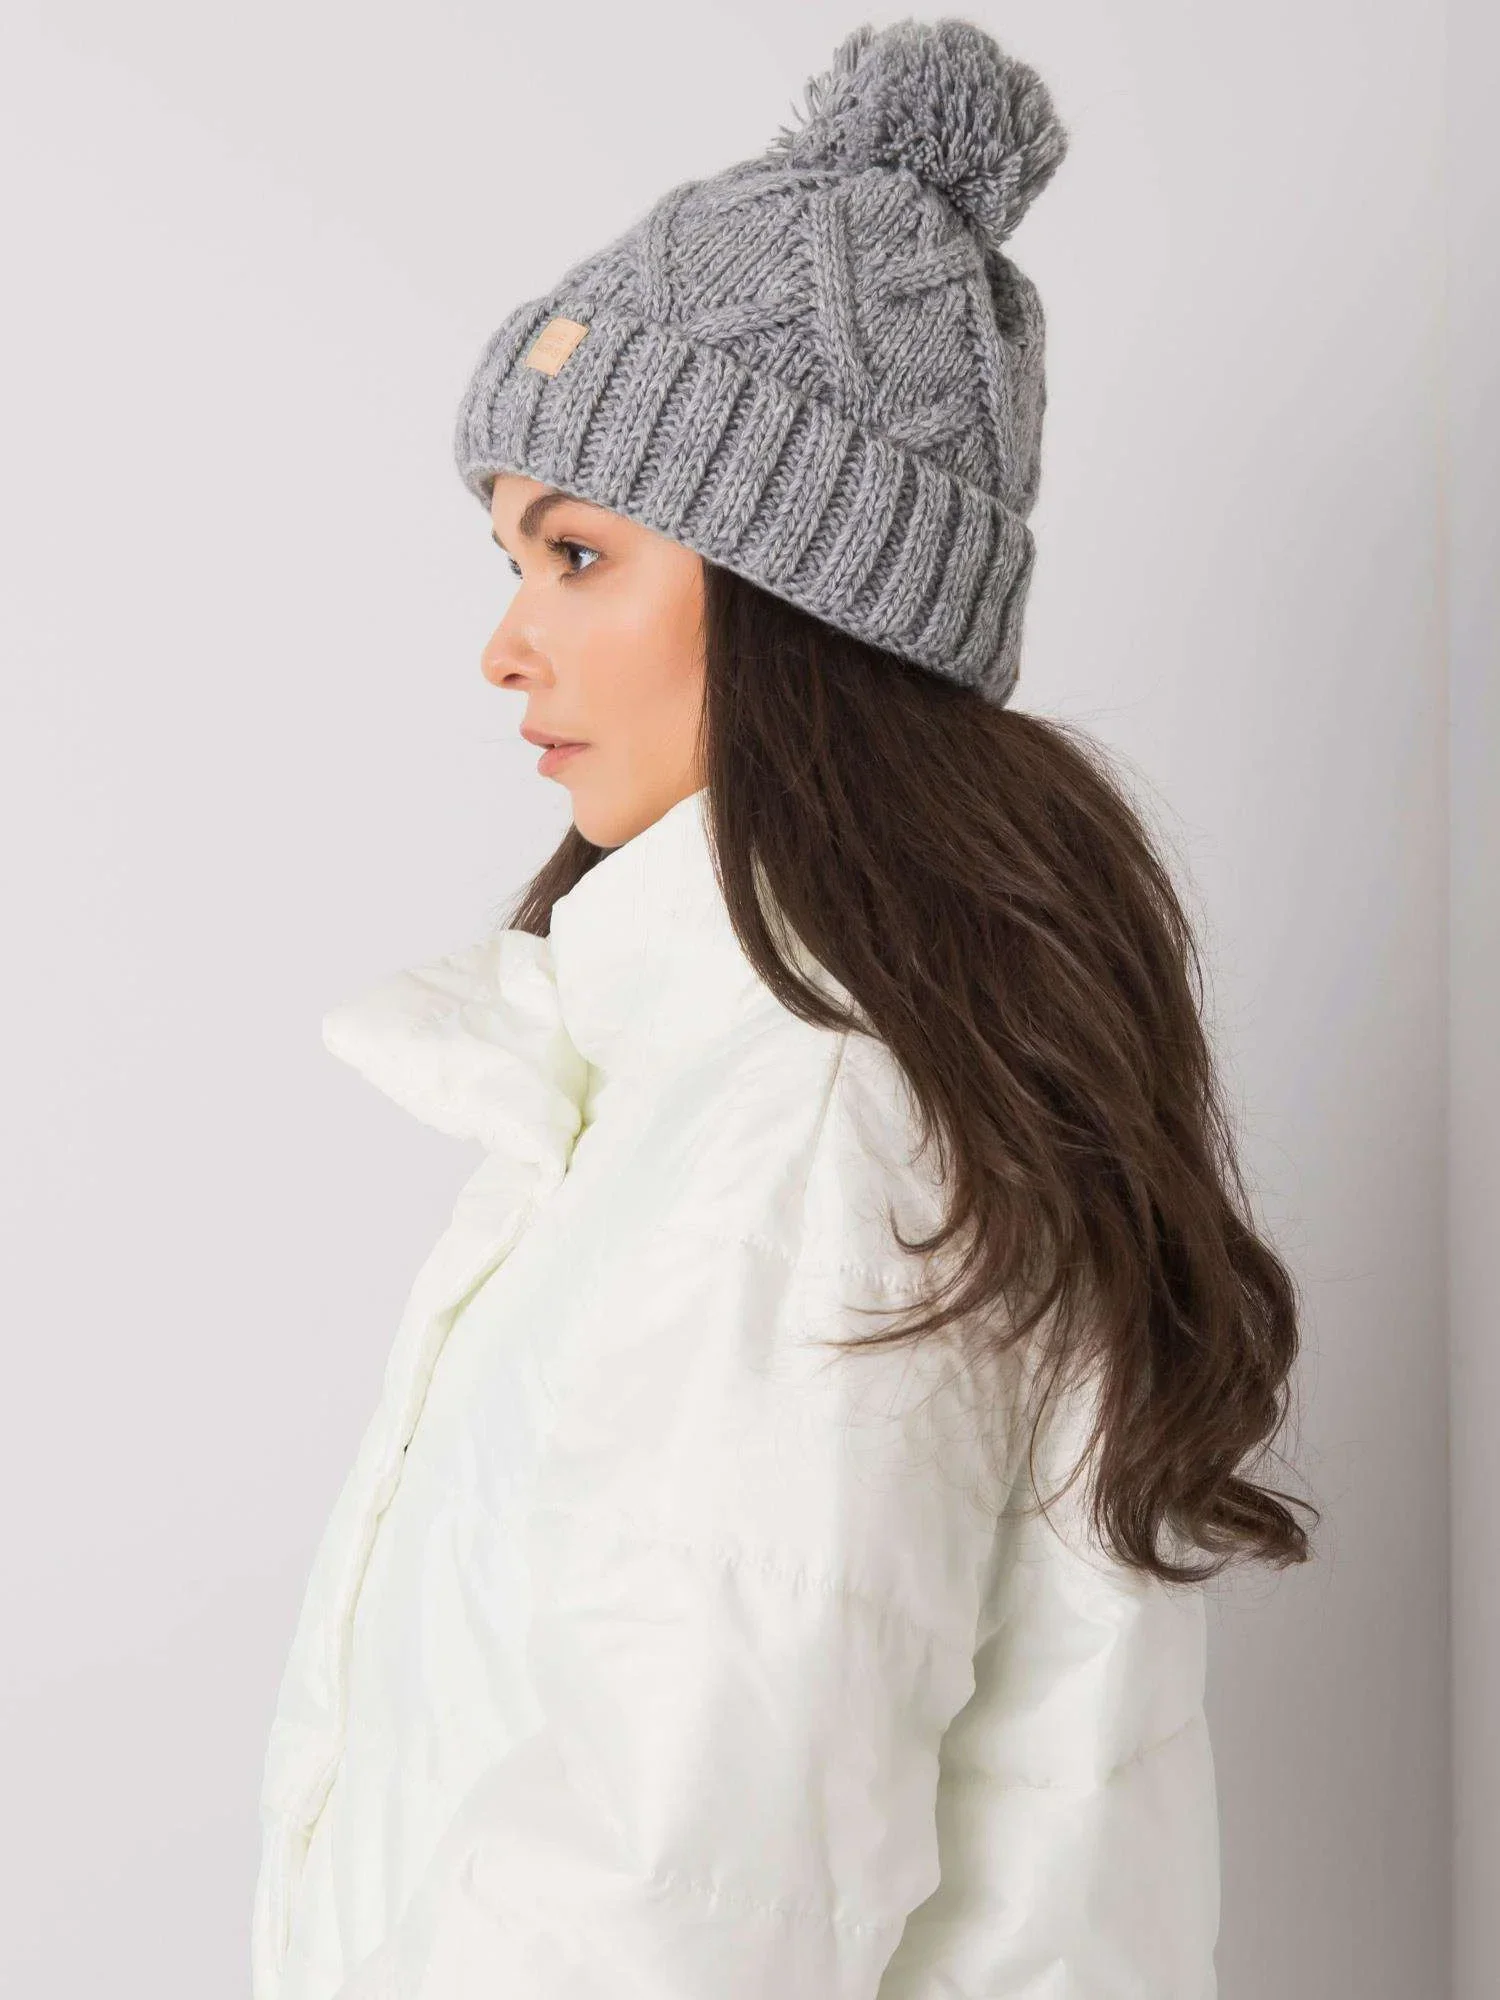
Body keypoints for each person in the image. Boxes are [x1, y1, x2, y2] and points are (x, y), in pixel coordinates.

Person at [251, 19, 1315, 2000]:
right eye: (509, 557)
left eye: (579, 554)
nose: (505, 644)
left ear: (800, 594)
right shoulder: (726, 1080)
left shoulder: (811, 1127)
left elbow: (673, 1894)